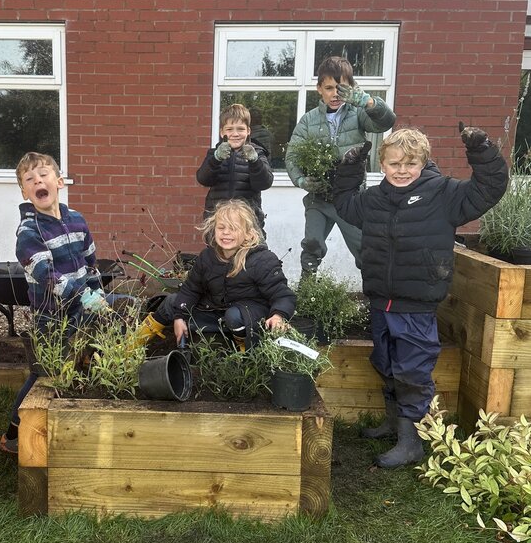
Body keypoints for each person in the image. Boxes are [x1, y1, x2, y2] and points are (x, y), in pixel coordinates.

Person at [332, 124, 509, 468]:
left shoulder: (445, 194)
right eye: (394, 164)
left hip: (416, 304)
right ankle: (392, 422)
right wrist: (351, 166)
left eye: (410, 164)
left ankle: (411, 441)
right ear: (382, 164)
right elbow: (344, 203)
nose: (402, 171)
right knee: (385, 362)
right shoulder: (374, 198)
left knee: (412, 370)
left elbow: (490, 187)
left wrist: (481, 149)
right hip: (381, 301)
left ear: (424, 162)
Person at [0, 151, 108, 454]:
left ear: (59, 181)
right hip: (52, 314)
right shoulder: (29, 231)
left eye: (43, 175)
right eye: (29, 180)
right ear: (24, 192)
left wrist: (96, 291)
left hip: (83, 305)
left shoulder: (77, 220)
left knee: (86, 356)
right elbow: (46, 275)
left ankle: (71, 419)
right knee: (44, 370)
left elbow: (91, 263)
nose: (38, 181)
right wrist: (81, 295)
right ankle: (13, 432)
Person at [285, 56, 396, 277]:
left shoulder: (358, 115)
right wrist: (301, 180)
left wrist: (367, 101)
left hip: (351, 199)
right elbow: (292, 155)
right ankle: (307, 296)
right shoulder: (309, 120)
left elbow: (386, 122)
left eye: (341, 88)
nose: (335, 94)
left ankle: (377, 296)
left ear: (351, 88)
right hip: (319, 198)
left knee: (365, 250)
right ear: (319, 89)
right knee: (312, 245)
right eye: (329, 88)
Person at [135, 199, 296, 351]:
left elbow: (283, 295)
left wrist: (278, 316)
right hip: (215, 316)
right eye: (221, 227)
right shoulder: (207, 257)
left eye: (233, 228)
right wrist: (179, 317)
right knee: (172, 302)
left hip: (249, 320)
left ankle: (246, 353)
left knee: (233, 315)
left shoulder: (262, 260)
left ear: (248, 234)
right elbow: (191, 289)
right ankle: (132, 346)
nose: (226, 233)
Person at [196, 103, 274, 232]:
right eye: (230, 129)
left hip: (247, 221)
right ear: (222, 132)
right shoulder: (214, 153)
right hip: (217, 219)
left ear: (248, 131)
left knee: (251, 252)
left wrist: (254, 161)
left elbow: (264, 183)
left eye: (240, 129)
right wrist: (216, 158)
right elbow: (203, 179)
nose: (235, 134)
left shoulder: (258, 153)